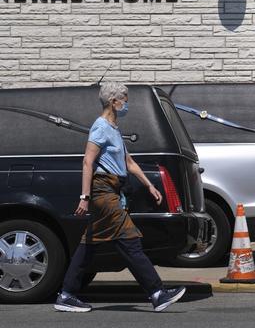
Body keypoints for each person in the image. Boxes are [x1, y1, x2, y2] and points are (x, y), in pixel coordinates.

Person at [54, 82, 186, 312]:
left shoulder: (114, 128)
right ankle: (157, 292)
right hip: (103, 191)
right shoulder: (100, 127)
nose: (127, 103)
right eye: (124, 98)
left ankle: (66, 294)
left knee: (89, 244)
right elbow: (87, 161)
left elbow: (128, 162)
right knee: (130, 240)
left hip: (113, 190)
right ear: (113, 102)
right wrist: (84, 196)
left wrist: (149, 186)